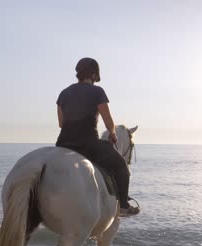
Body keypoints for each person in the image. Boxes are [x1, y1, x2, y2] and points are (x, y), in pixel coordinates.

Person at [55, 57, 140, 217]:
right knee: (122, 167)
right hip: (88, 145)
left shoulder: (64, 93)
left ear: (78, 74)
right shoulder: (97, 91)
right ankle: (123, 206)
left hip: (63, 144)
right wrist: (113, 134)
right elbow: (108, 121)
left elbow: (61, 123)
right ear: (94, 75)